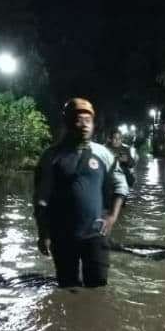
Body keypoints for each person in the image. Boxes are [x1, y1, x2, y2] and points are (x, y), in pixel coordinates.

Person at [33, 98, 129, 287]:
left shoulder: (103, 154)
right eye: (79, 120)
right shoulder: (51, 157)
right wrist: (43, 233)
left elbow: (121, 186)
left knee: (98, 288)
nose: (85, 125)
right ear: (68, 122)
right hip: (62, 236)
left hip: (95, 234)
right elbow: (41, 199)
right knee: (67, 287)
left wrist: (112, 217)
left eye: (88, 120)